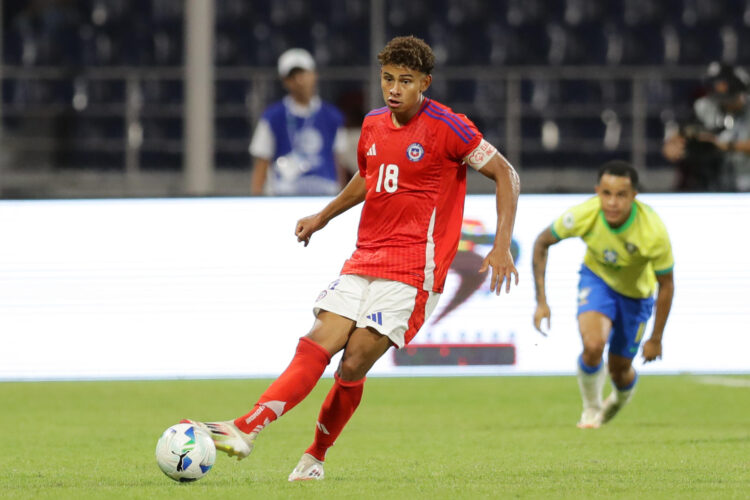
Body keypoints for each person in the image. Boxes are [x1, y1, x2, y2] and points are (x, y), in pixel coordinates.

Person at [184, 35, 520, 481]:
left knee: (354, 360)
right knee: (319, 339)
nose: (393, 88)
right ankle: (246, 429)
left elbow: (506, 174)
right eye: (387, 79)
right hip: (365, 258)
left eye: (405, 80)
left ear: (425, 83)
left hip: (414, 271)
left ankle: (315, 456)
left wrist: (500, 244)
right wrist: (323, 216)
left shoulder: (450, 126)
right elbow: (368, 176)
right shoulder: (373, 124)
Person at [531, 161, 674, 429]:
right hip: (597, 281)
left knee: (619, 371)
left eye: (621, 195)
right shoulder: (584, 214)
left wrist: (656, 338)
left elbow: (666, 284)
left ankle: (618, 401)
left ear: (634, 196)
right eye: (606, 193)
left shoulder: (653, 231)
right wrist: (541, 301)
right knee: (593, 346)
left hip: (637, 296)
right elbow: (542, 242)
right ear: (597, 191)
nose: (612, 202)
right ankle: (591, 407)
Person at [249, 48, 348, 195]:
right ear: (285, 81)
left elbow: (338, 161)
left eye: (303, 74)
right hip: (285, 193)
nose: (299, 81)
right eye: (292, 76)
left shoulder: (332, 116)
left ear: (314, 75)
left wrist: (342, 198)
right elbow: (262, 162)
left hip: (324, 193)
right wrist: (256, 199)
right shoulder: (272, 116)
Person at [663, 62, 750, 191]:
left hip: (745, 181)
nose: (720, 89)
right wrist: (677, 144)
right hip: (709, 183)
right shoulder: (704, 106)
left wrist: (722, 145)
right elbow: (676, 139)